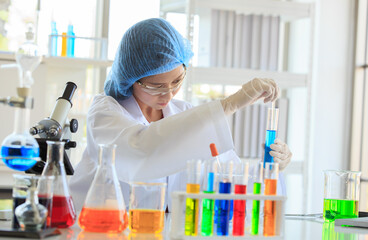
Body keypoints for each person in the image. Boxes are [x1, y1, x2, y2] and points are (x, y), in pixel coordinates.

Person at [69, 18, 292, 211]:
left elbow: (226, 178)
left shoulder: (185, 114)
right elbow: (142, 151)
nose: (168, 93)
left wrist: (269, 171)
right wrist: (228, 105)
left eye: (177, 81)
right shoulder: (106, 112)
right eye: (156, 86)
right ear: (130, 78)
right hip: (99, 230)